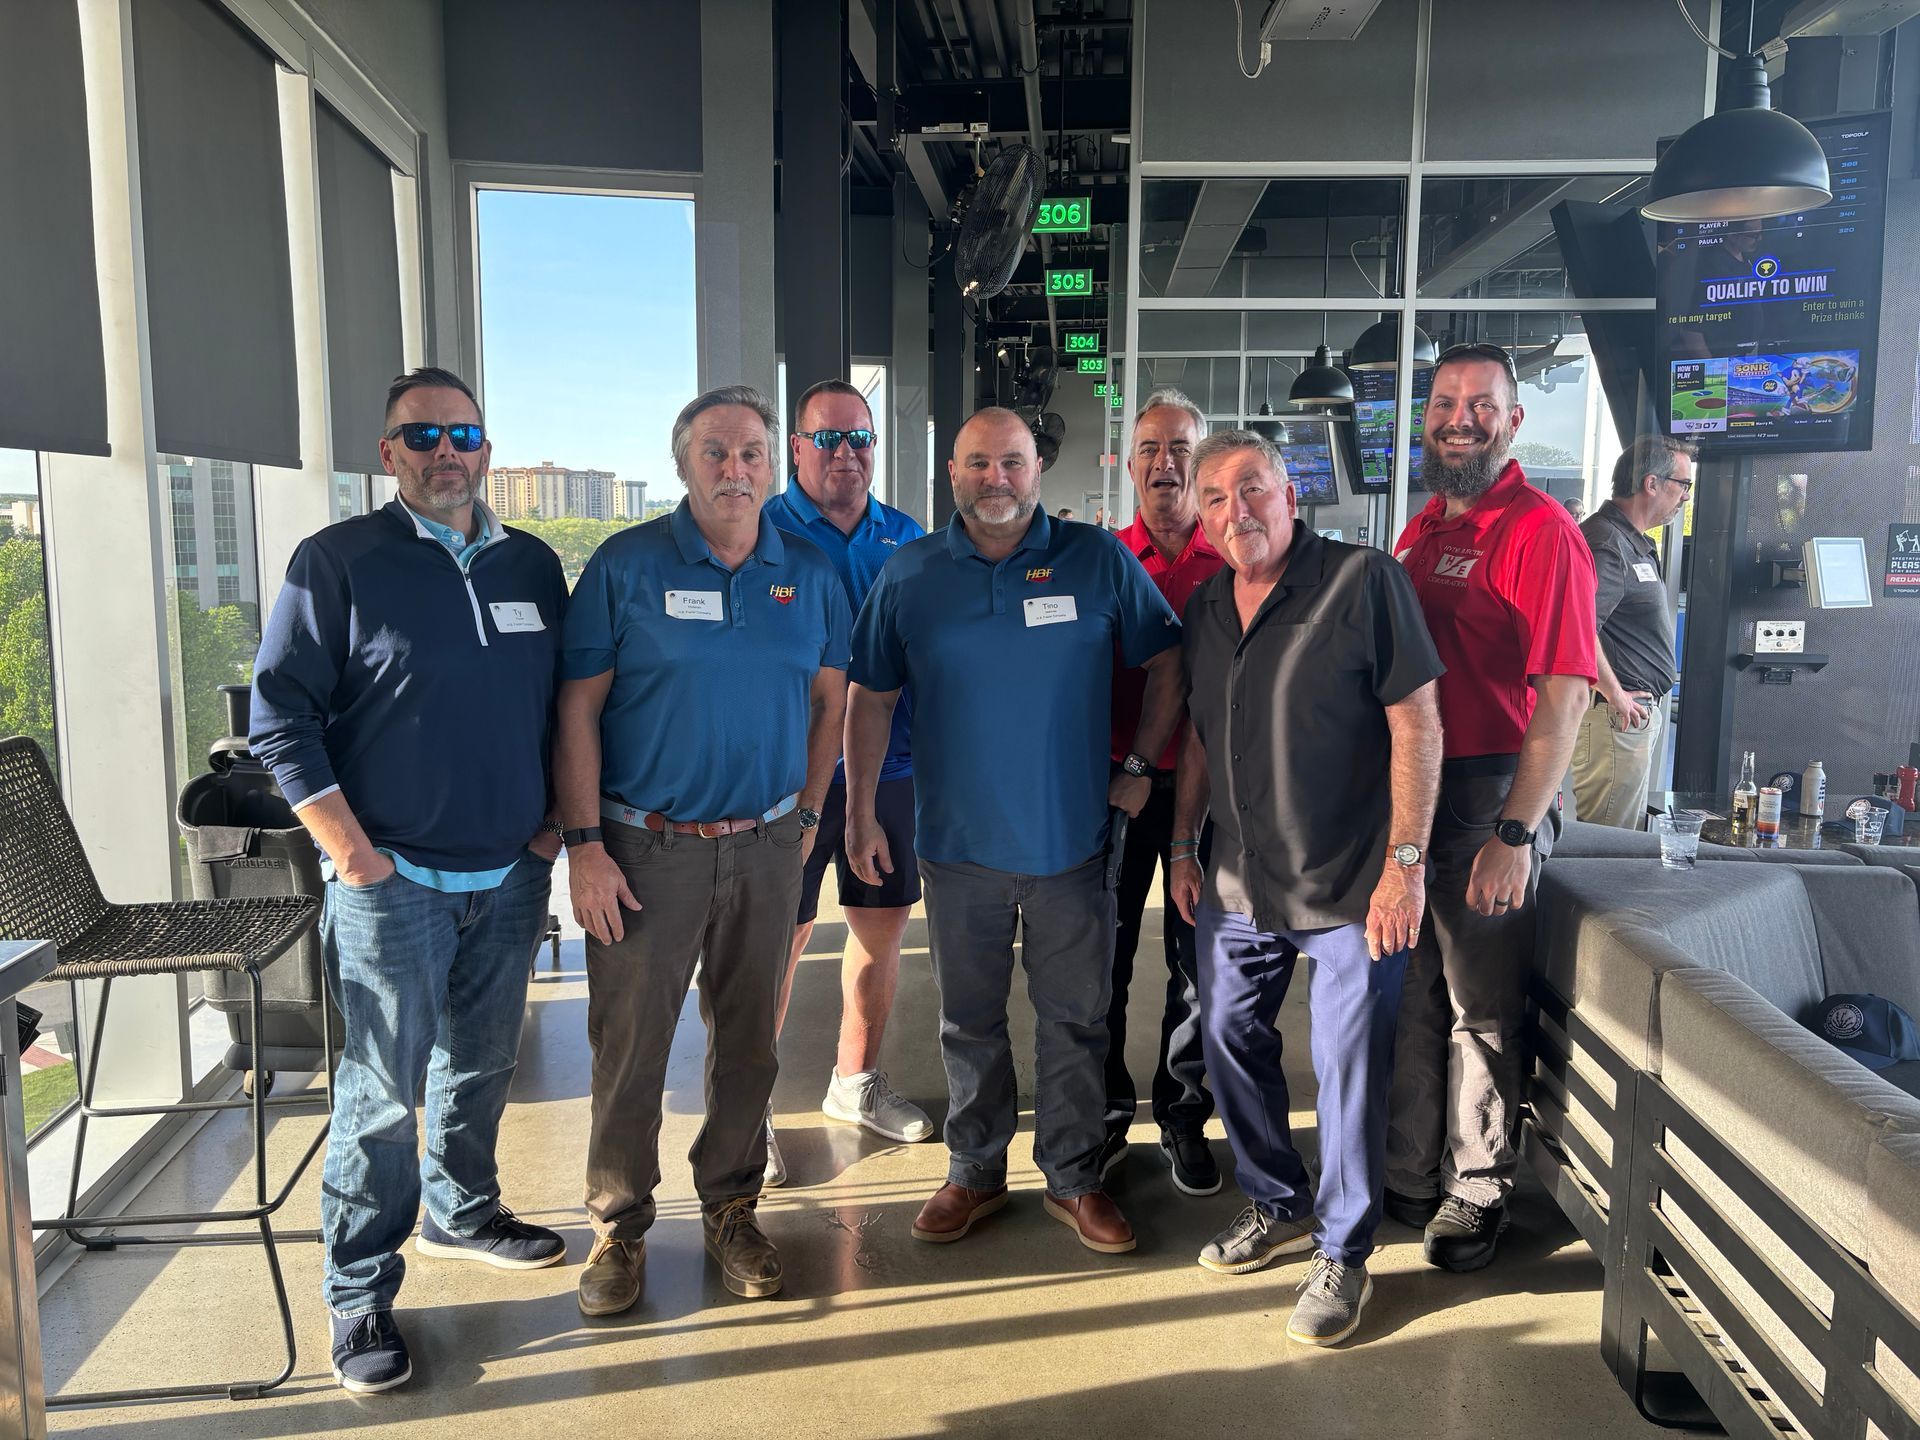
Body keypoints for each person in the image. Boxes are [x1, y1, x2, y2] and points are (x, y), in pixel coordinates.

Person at [250, 366, 570, 1395]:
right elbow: (279, 720)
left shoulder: (531, 564)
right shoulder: (337, 562)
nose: (445, 451)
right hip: (392, 881)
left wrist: (557, 826)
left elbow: (566, 701)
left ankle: (462, 1211)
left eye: (463, 433)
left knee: (479, 1064)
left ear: (486, 448)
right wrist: (351, 855)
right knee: (381, 1097)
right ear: (386, 455)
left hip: (512, 870)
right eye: (419, 435)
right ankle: (358, 1294)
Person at [844, 406, 1184, 1256]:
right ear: (952, 474)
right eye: (978, 464)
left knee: (1077, 1019)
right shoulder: (912, 572)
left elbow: (1170, 660)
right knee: (969, 1021)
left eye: (1013, 463)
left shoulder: (1096, 560)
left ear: (1039, 470)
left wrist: (1139, 768)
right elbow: (870, 695)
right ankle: (976, 1171)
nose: (996, 479)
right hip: (956, 847)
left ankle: (1074, 1178)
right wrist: (855, 812)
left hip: (1073, 844)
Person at [555, 385, 850, 1317]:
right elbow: (577, 710)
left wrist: (806, 818)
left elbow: (829, 704)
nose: (737, 470)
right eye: (717, 453)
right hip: (646, 850)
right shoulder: (625, 565)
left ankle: (732, 1207)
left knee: (751, 1044)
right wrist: (585, 846)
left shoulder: (808, 572)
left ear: (776, 464)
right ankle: (619, 1225)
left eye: (753, 453)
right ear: (683, 463)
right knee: (631, 1046)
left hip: (766, 844)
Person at [1170, 429, 1443, 1345]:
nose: (1236, 509)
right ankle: (1275, 1198)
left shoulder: (1364, 582)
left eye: (1253, 488)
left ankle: (1343, 1251)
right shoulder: (1208, 607)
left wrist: (1405, 866)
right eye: (1214, 497)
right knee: (1224, 1040)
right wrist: (1180, 843)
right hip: (1240, 879)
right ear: (1202, 520)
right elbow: (1203, 738)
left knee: (1345, 1069)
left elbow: (1416, 722)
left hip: (1351, 885)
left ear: (1292, 494)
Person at [1384, 343, 1597, 1272]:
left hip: (1493, 789)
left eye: (1480, 403)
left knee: (1480, 1004)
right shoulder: (1422, 526)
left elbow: (1566, 696)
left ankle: (1479, 1185)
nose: (1457, 417)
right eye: (1442, 402)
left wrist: (1515, 831)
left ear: (1514, 421)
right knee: (1417, 990)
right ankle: (1411, 1166)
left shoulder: (1541, 530)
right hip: (1418, 793)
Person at [763, 379, 930, 1182]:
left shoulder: (908, 538)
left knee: (880, 928)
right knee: (776, 943)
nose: (844, 453)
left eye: (859, 438)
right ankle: (747, 1107)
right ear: (796, 449)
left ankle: (853, 1081)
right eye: (826, 438)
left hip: (891, 773)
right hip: (784, 780)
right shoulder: (760, 532)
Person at [1101, 389, 1224, 1195]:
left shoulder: (1240, 556)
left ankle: (1182, 1116)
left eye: (1181, 446)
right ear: (1128, 461)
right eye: (1150, 447)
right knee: (1101, 960)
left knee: (1197, 965)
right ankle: (1105, 1118)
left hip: (1211, 795)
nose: (1165, 462)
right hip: (1116, 788)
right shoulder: (1104, 556)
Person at [1573, 436, 1695, 829]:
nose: (1686, 499)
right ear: (1652, 483)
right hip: (1616, 716)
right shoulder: (1606, 541)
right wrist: (1615, 694)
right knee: (1609, 843)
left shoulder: (1631, 540)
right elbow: (1578, 627)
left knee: (1622, 835)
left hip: (1626, 715)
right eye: (1684, 485)